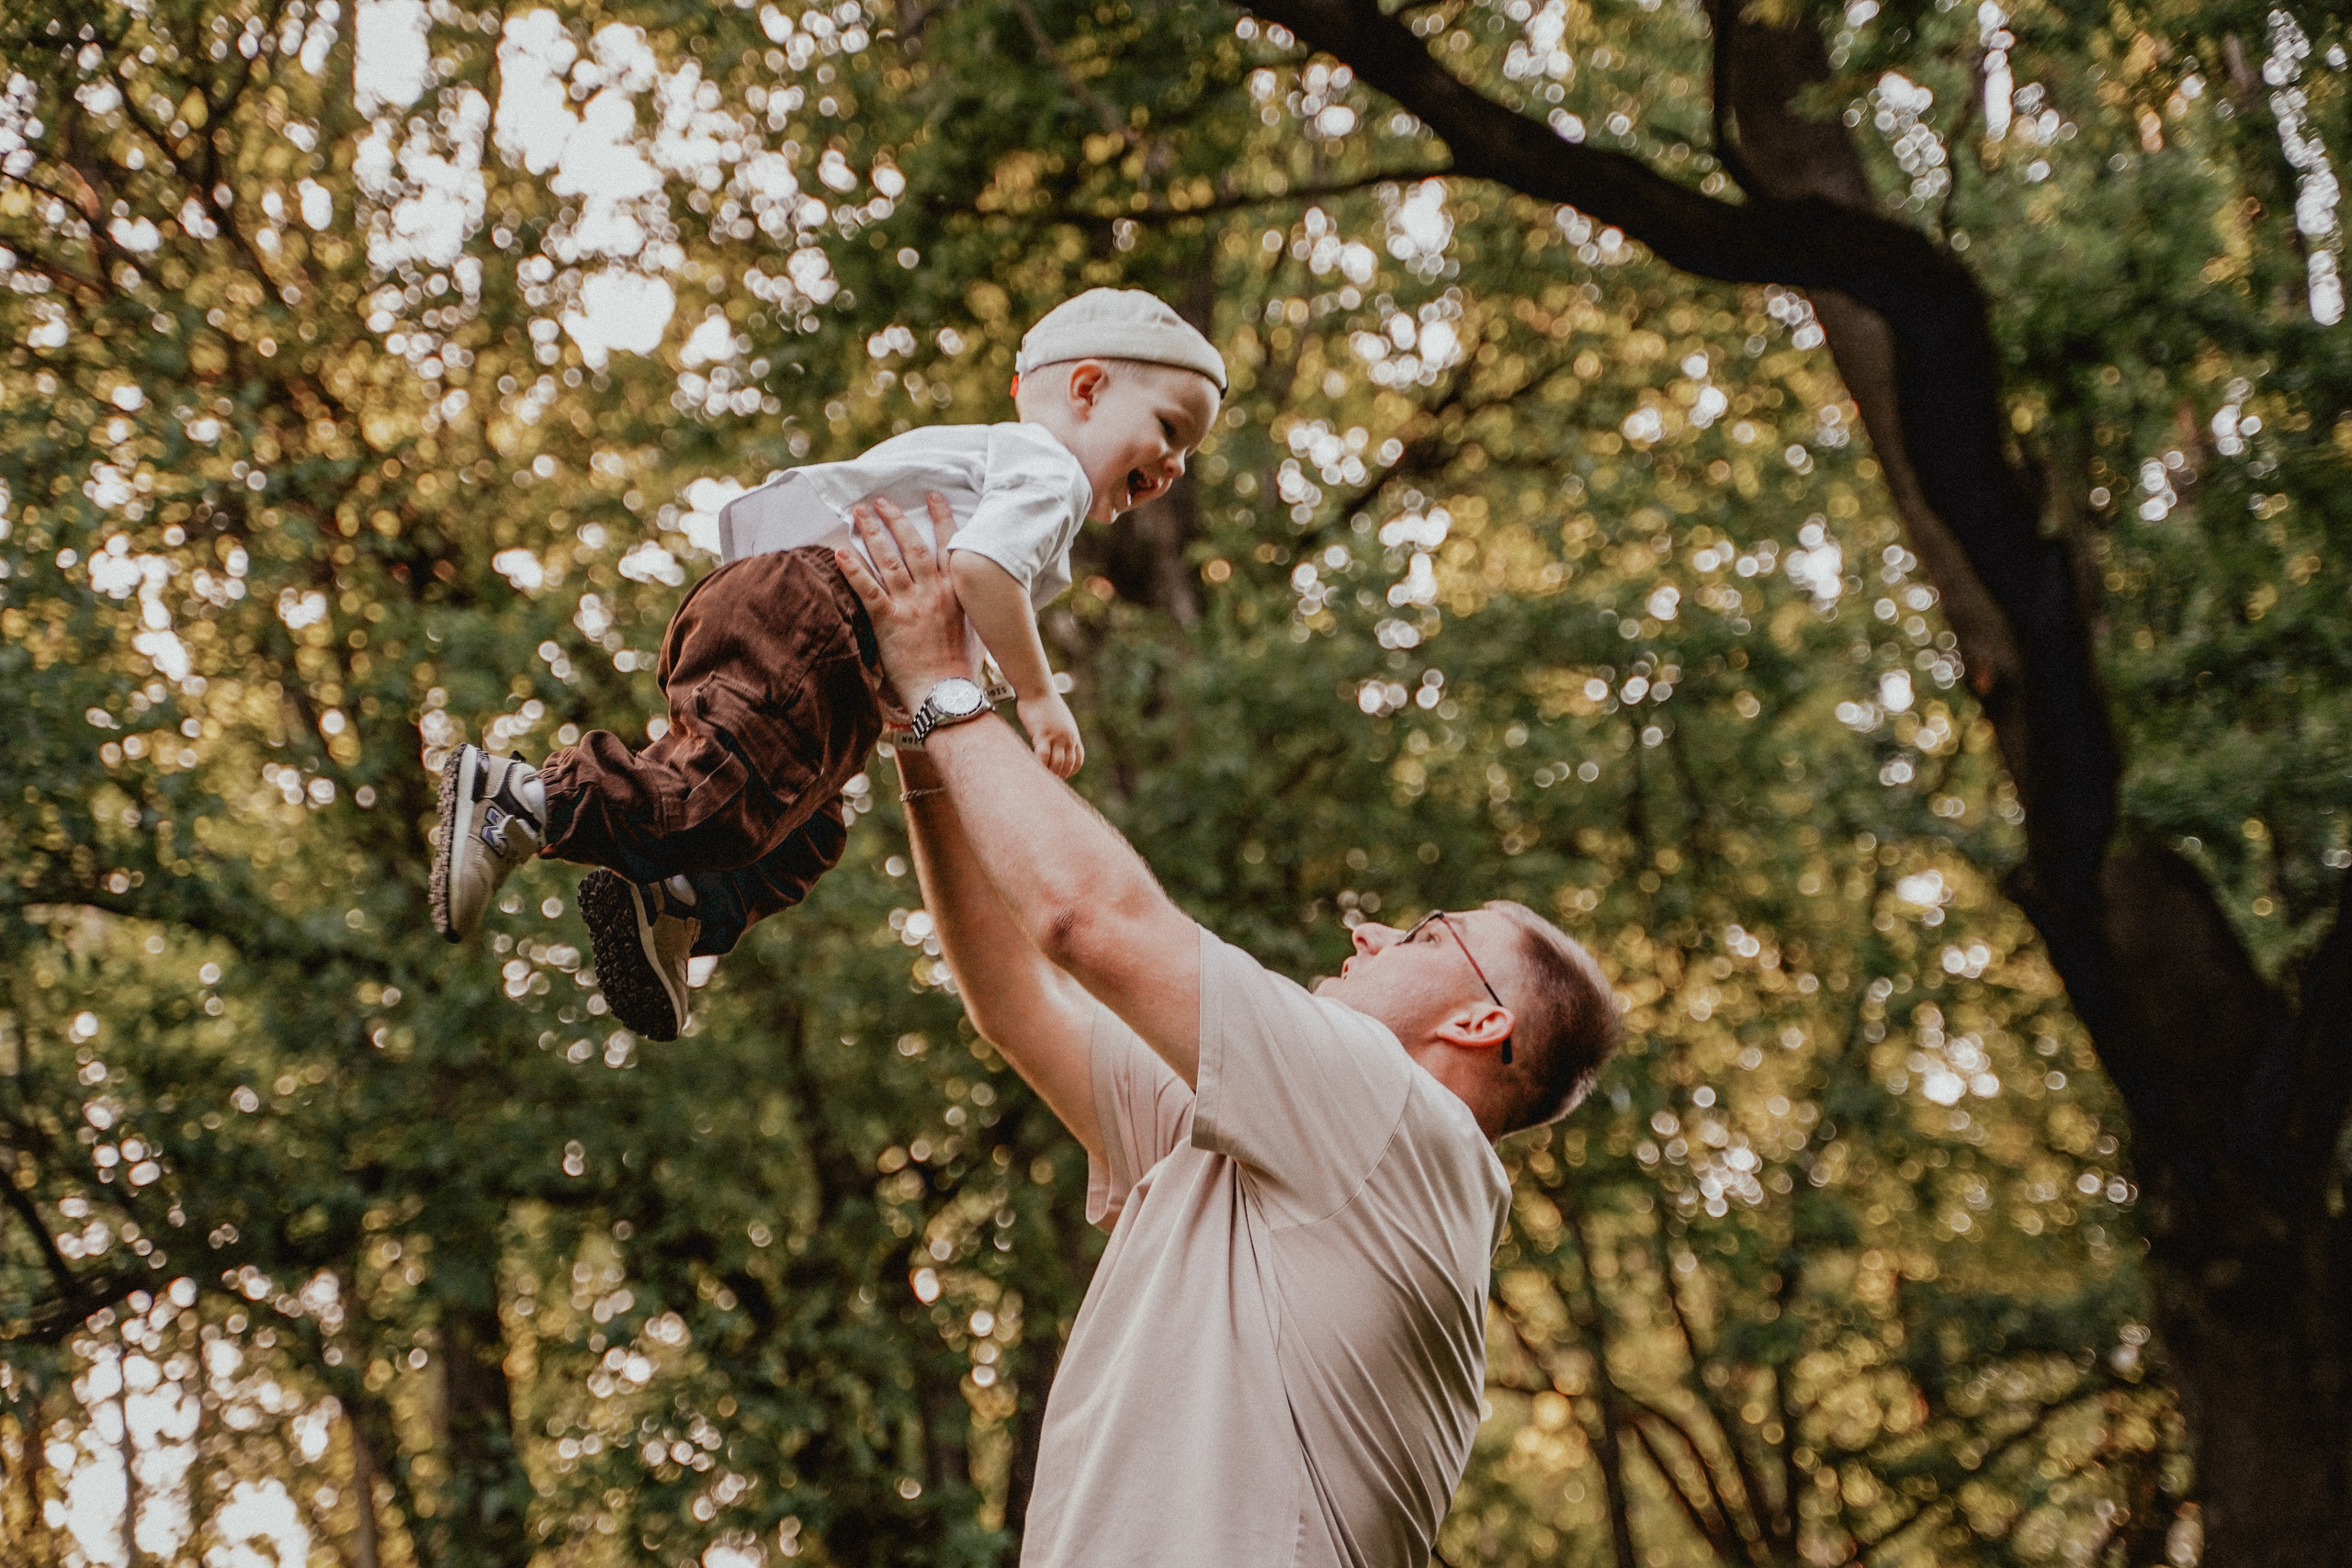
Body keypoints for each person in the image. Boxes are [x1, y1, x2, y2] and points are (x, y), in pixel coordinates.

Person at [839, 494, 1623, 1566]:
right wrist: (916, 737)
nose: (1372, 927)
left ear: (1480, 1019)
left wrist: (942, 683)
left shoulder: (1399, 1124)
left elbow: (1085, 921)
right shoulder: (1278, 1159)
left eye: (1428, 932)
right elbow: (1017, 1001)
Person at [426, 289, 1225, 1042]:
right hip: (810, 615)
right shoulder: (1049, 474)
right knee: (722, 792)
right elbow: (982, 572)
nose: (1178, 465)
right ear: (1086, 389)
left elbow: (951, 610)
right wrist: (1039, 693)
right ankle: (520, 800)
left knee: (807, 832)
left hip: (804, 622)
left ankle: (674, 900)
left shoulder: (1012, 470)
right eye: (1171, 428)